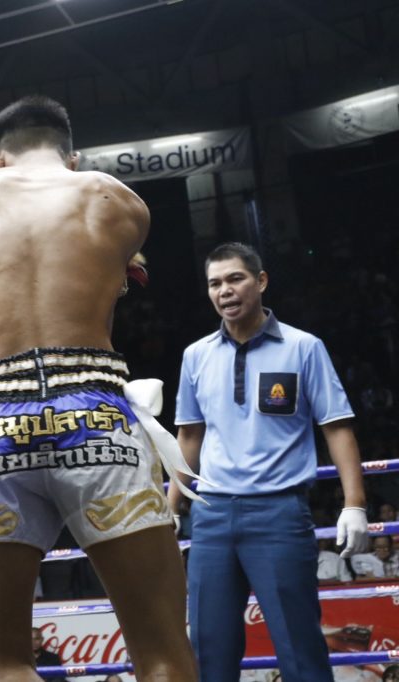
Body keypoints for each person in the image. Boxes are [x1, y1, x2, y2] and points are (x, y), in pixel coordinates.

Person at [0, 95, 197, 680]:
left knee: (2, 663)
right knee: (162, 651)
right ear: (72, 156)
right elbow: (109, 270)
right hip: (95, 414)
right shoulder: (117, 200)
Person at [170, 241, 369, 681]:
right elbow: (189, 436)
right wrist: (170, 508)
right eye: (215, 283)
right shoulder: (196, 355)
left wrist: (354, 504)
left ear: (260, 281)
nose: (225, 290)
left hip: (279, 512)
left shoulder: (303, 347)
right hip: (211, 516)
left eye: (235, 278)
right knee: (209, 649)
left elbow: (337, 427)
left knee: (300, 649)